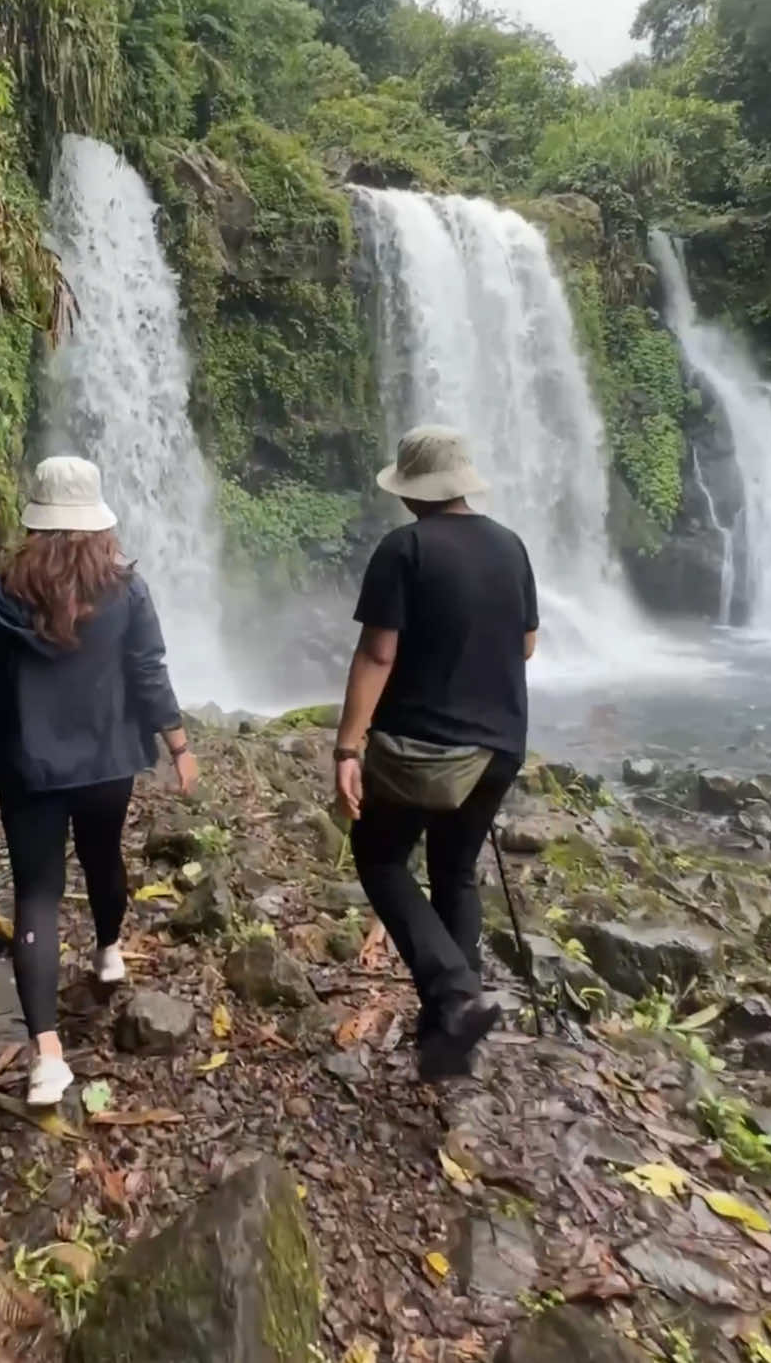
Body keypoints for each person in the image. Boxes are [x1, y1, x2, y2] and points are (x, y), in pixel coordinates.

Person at [0, 455, 197, 1106]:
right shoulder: (126, 588)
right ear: (97, 522)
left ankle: (48, 1060)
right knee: (102, 856)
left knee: (35, 894)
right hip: (106, 762)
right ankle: (111, 950)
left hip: (28, 766)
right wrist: (177, 742)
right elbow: (149, 670)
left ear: (36, 520)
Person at [333, 425, 538, 1080]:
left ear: (413, 491)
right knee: (453, 868)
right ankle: (455, 1029)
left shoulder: (405, 548)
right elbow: (527, 645)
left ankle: (453, 991)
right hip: (500, 746)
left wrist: (347, 745)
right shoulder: (511, 546)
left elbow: (378, 652)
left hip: (426, 746)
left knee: (380, 854)